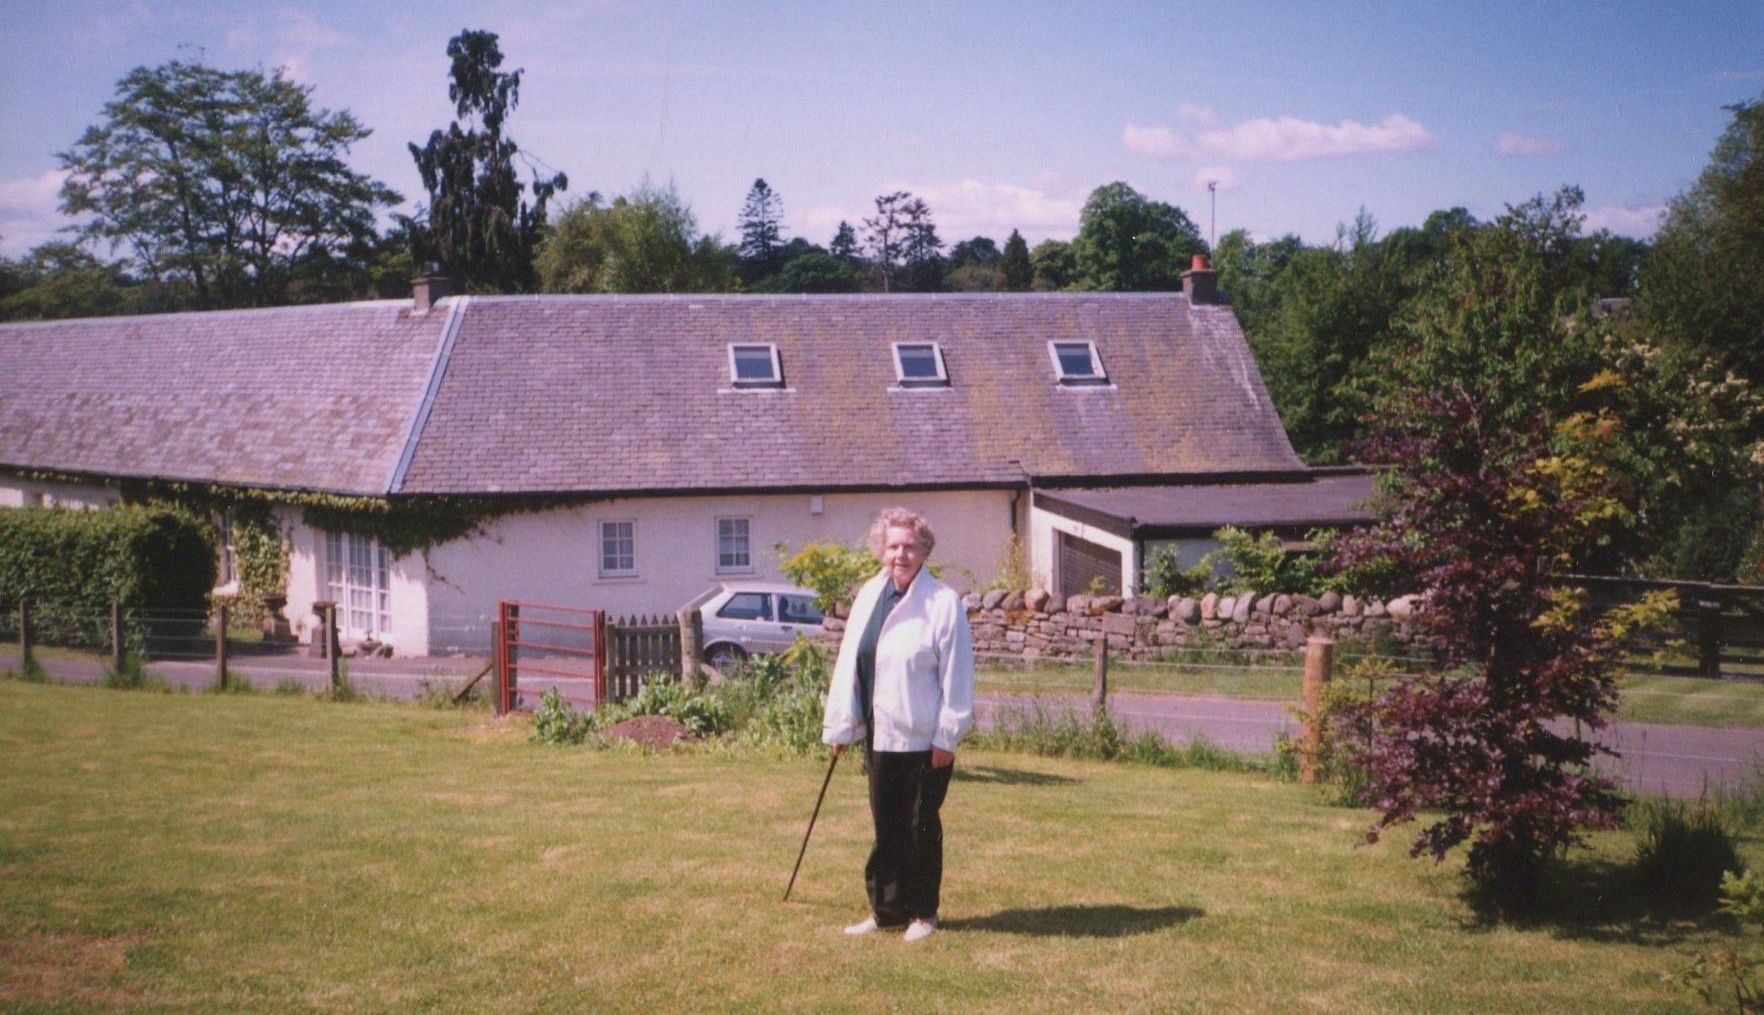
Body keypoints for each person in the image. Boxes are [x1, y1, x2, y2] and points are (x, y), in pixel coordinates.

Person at [822, 507, 975, 943]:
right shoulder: (870, 595)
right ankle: (886, 911)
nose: (901, 554)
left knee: (920, 826)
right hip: (881, 734)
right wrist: (843, 725)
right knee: (886, 826)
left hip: (926, 740)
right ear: (881, 550)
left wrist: (948, 735)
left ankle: (924, 913)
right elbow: (852, 662)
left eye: (909, 546)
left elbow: (957, 677)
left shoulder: (942, 602)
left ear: (924, 549)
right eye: (893, 546)